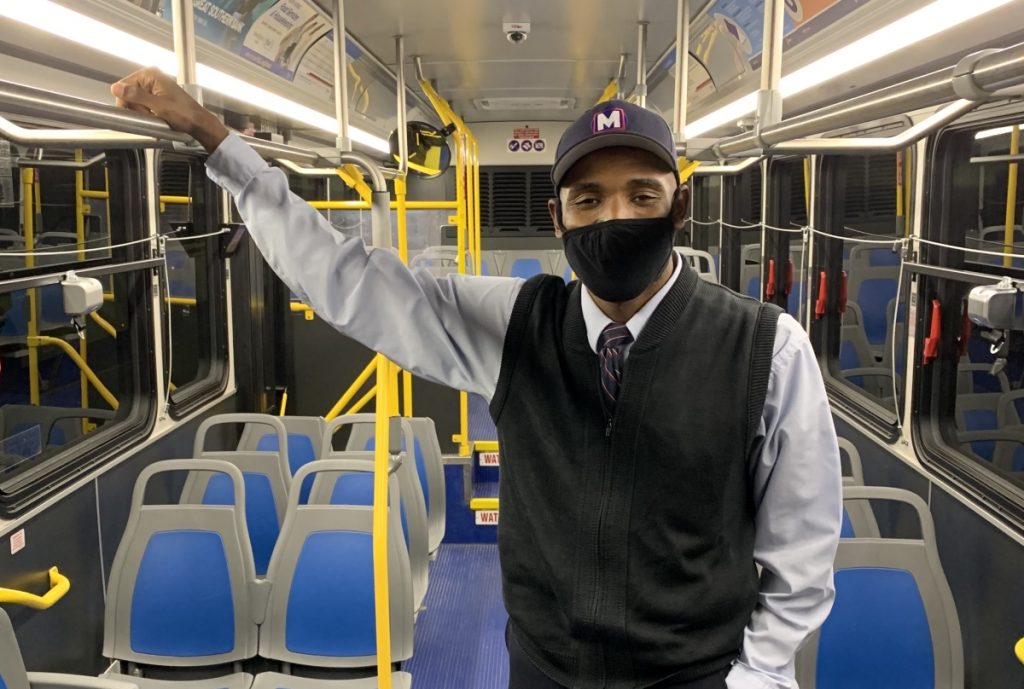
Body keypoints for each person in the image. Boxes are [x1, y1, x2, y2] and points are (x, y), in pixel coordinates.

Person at [112, 68, 842, 689]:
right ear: (558, 218)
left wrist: (758, 675)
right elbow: (347, 279)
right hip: (545, 669)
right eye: (588, 199)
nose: (614, 217)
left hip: (697, 675)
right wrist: (218, 141)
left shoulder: (766, 348)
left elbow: (801, 548)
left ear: (678, 206)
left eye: (641, 195)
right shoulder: (516, 324)